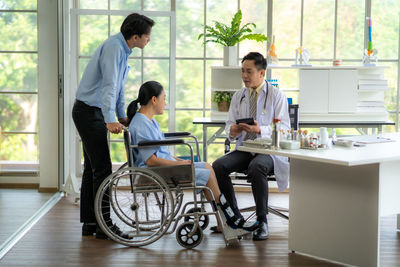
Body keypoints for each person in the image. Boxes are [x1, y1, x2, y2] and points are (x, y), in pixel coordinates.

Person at [127, 80, 258, 232]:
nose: (165, 102)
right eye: (164, 98)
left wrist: (180, 161)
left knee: (208, 166)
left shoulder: (149, 121)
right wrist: (180, 165)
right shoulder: (142, 124)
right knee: (207, 175)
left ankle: (224, 221)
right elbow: (151, 161)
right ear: (154, 100)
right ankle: (229, 218)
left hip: (163, 168)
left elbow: (161, 152)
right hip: (154, 172)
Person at [72, 13, 154, 239]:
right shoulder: (114, 48)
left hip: (93, 110)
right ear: (135, 36)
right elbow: (108, 86)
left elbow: (117, 88)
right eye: (147, 36)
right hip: (89, 112)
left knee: (92, 168)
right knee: (103, 169)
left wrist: (119, 115)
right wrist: (110, 118)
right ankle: (104, 225)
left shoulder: (122, 49)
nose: (149, 39)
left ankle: (91, 223)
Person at [212, 52, 291, 241]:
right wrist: (234, 131)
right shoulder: (239, 96)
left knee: (257, 167)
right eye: (242, 71)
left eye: (249, 71)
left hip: (269, 151)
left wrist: (259, 129)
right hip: (246, 148)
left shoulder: (276, 96)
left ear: (262, 73)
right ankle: (235, 218)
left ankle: (262, 221)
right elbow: (228, 125)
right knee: (218, 166)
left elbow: (284, 129)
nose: (244, 76)